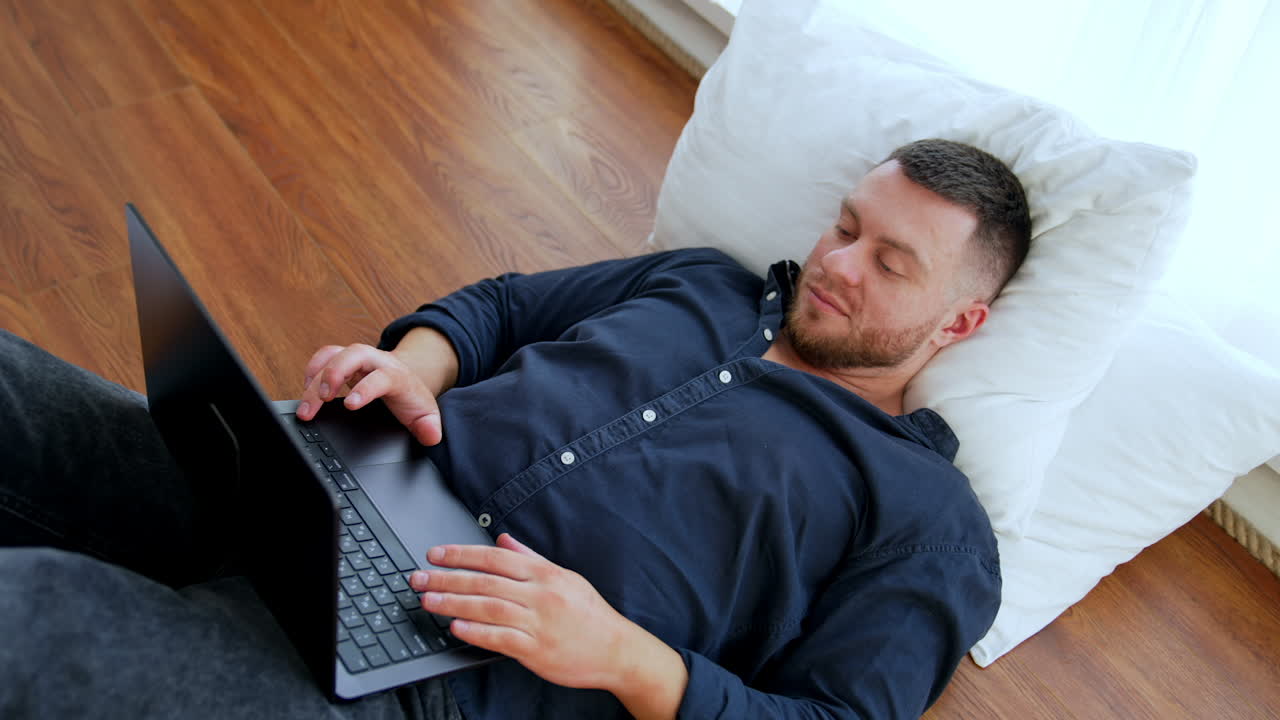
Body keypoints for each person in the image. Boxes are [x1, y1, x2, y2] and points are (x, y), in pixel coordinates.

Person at [0, 138, 1030, 719]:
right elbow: (499, 309)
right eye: (845, 228)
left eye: (890, 263)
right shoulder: (700, 281)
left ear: (962, 322)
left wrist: (631, 659)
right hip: (314, 475)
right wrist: (407, 366)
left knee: (31, 616)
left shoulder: (927, 522)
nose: (840, 264)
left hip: (435, 674)